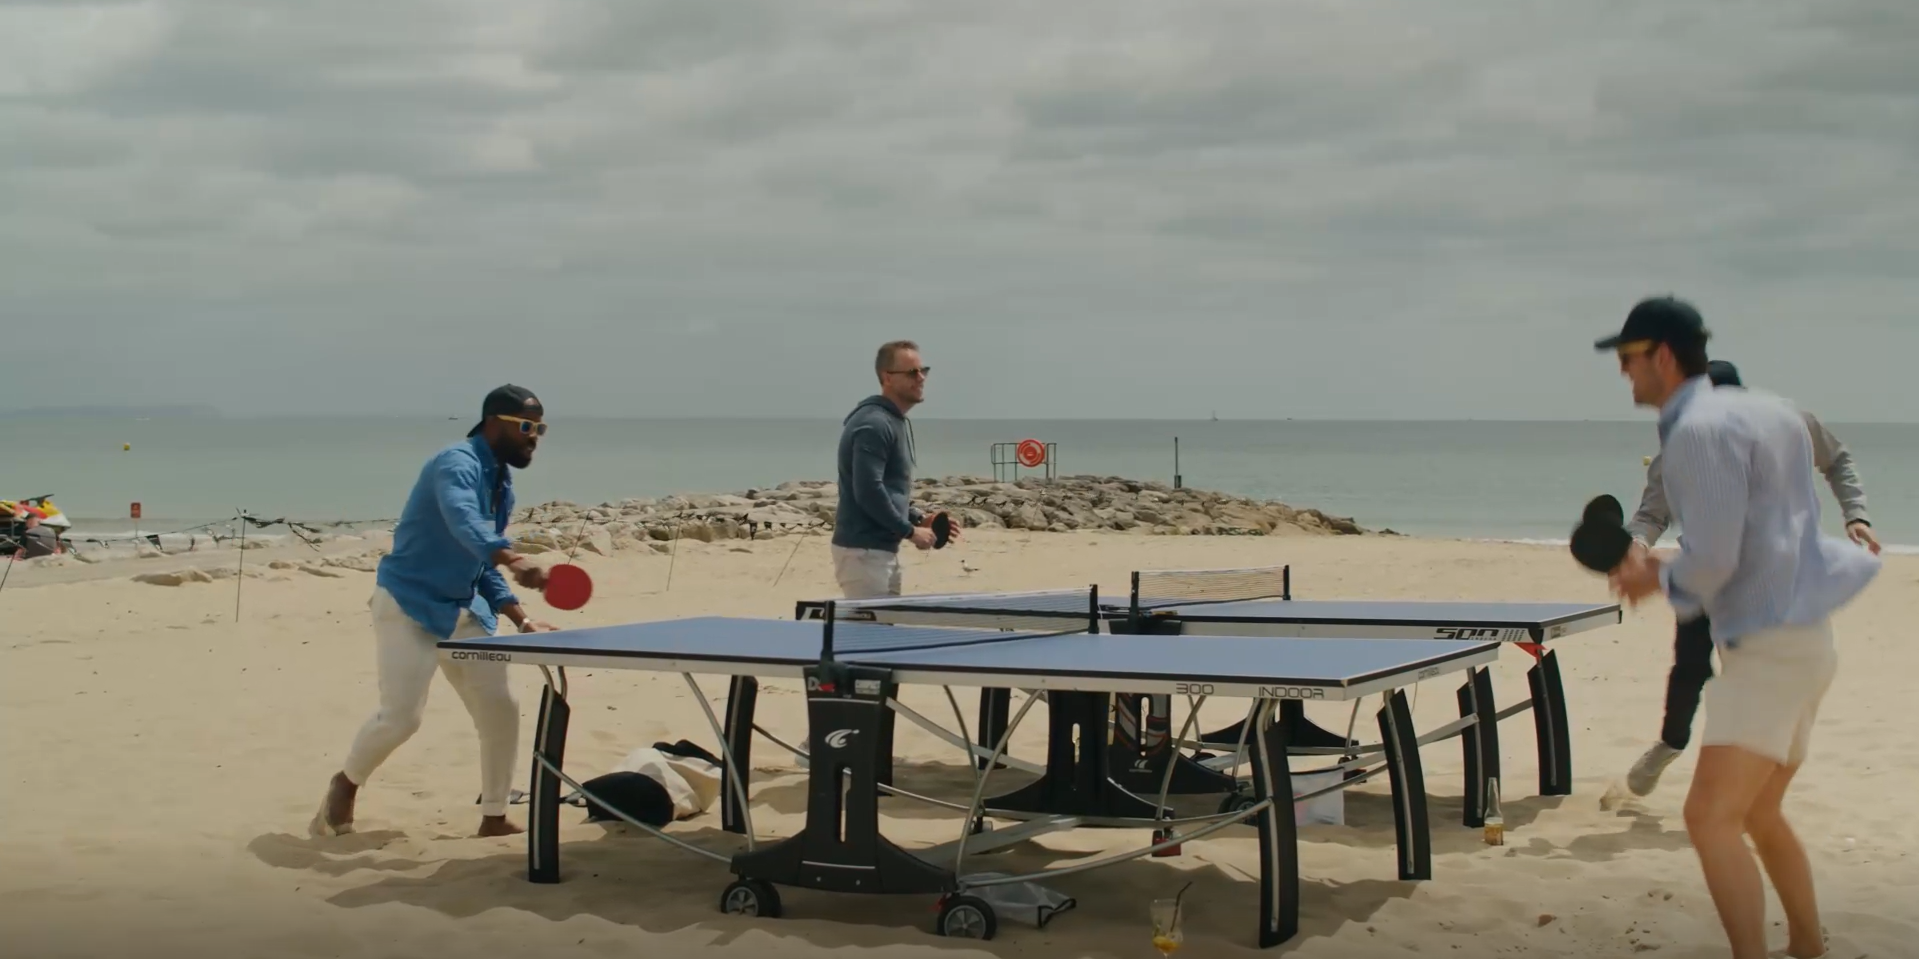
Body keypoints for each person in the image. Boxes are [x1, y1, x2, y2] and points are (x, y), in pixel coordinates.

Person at [1595, 296, 1880, 959]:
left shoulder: (1695, 430)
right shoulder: (1774, 415)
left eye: (1627, 358)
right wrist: (1645, 549)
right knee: (1755, 811)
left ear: (1662, 356)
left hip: (1764, 651)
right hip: (1809, 644)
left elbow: (1715, 557)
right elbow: (1728, 530)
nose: (1622, 373)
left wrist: (1651, 577)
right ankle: (1806, 946)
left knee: (1707, 817)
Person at [1622, 358, 1881, 796]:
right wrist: (1636, 547)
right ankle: (1670, 744)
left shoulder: (1789, 426)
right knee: (1689, 667)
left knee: (1750, 677)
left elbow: (1837, 459)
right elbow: (1651, 513)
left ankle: (1744, 780)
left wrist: (1856, 515)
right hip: (1705, 575)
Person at [311, 385, 560, 839]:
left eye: (540, 428)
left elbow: (479, 563)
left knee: (501, 708)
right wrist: (513, 557)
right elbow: (464, 520)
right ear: (492, 424)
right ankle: (344, 783)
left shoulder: (502, 485)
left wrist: (520, 618)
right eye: (526, 427)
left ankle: (494, 815)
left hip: (464, 610)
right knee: (403, 717)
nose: (534, 438)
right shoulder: (456, 463)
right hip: (408, 604)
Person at [830, 340, 959, 598]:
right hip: (863, 553)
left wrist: (916, 518)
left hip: (881, 551)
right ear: (887, 377)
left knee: (883, 632)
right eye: (912, 372)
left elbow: (887, 489)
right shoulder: (874, 424)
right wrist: (910, 532)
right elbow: (868, 490)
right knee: (866, 635)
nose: (921, 378)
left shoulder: (891, 421)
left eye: (924, 370)